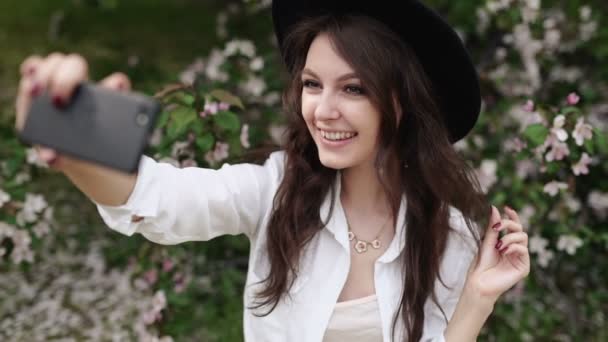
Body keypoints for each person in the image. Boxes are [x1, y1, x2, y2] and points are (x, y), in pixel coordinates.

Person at [14, 1, 530, 341]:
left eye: (353, 89)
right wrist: (77, 145)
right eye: (312, 84)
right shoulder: (275, 190)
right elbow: (159, 199)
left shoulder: (453, 236)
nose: (322, 110)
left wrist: (478, 299)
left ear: (401, 105)